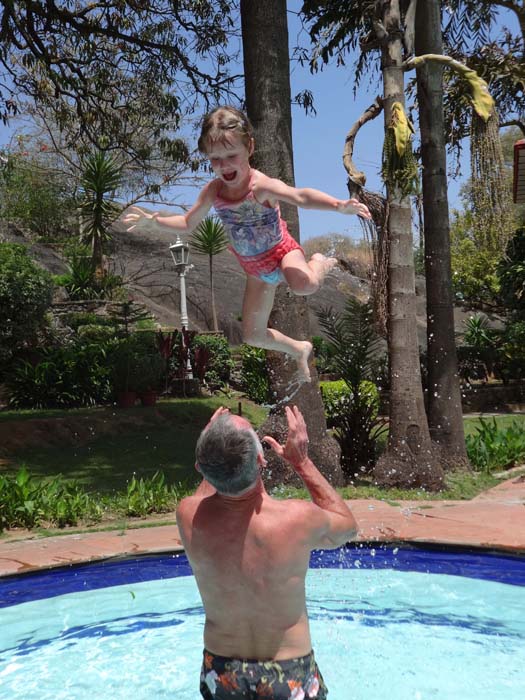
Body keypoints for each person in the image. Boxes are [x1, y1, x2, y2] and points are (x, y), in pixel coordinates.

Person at [122, 106, 371, 382]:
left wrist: (339, 206)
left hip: (281, 252)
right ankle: (299, 348)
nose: (225, 165)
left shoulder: (260, 186)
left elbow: (300, 196)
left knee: (304, 285)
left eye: (231, 156)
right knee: (253, 335)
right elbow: (187, 223)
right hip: (255, 269)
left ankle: (320, 262)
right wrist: (153, 221)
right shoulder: (213, 191)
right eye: (216, 159)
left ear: (249, 147)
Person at [176, 404, 358, 699]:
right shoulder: (297, 519)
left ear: (201, 467)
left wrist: (213, 450)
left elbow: (208, 487)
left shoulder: (188, 516)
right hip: (288, 671)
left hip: (221, 671)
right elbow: (348, 527)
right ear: (262, 459)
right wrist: (302, 462)